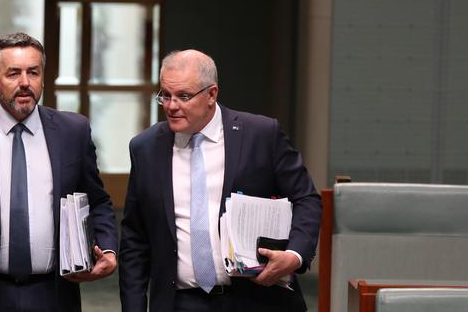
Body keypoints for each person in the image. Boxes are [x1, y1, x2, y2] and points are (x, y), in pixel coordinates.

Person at [0, 32, 118, 312]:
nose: (25, 83)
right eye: (13, 73)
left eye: (33, 72)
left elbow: (98, 201)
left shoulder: (72, 132)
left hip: (53, 294)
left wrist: (109, 249)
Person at [119, 49, 322, 312]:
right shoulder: (145, 148)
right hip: (179, 301)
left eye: (183, 96)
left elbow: (306, 199)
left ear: (211, 94)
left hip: (256, 298)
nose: (171, 106)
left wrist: (294, 256)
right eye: (165, 95)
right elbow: (135, 239)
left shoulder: (260, 135)